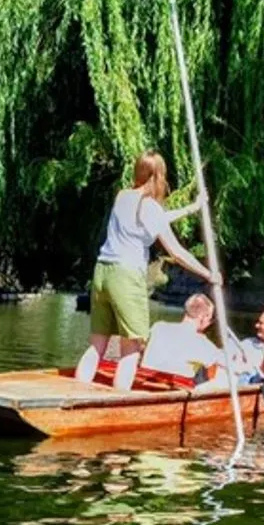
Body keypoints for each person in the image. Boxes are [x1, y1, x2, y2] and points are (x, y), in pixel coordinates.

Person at [74, 149, 220, 388]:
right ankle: (117, 404)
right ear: (158, 176)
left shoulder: (122, 196)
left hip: (102, 273)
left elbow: (155, 219)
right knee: (131, 349)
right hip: (126, 276)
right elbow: (176, 252)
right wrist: (209, 274)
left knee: (97, 345)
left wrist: (191, 209)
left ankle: (74, 394)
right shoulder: (150, 208)